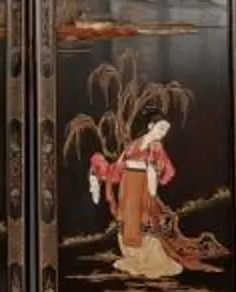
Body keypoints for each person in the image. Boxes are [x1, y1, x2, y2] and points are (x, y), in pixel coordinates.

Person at [88, 117, 211, 279]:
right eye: (160, 128)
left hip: (142, 184)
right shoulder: (135, 143)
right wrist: (109, 174)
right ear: (150, 126)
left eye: (165, 130)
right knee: (128, 216)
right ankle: (132, 256)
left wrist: (152, 188)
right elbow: (121, 163)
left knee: (144, 217)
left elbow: (159, 168)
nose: (163, 133)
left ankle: (149, 258)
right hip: (128, 183)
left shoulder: (156, 146)